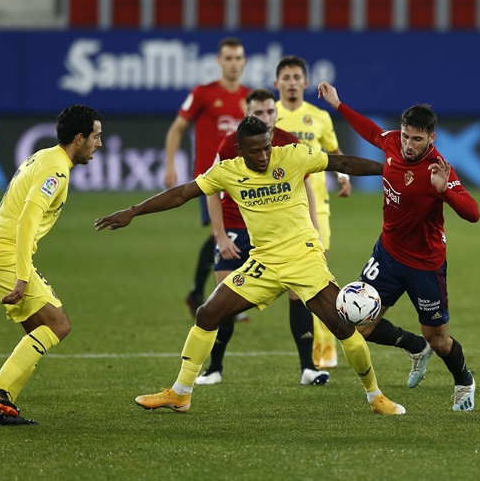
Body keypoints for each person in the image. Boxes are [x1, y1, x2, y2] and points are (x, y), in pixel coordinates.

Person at [94, 116, 405, 415]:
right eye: (254, 151)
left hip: (303, 259)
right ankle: (180, 393)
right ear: (239, 150)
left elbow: (342, 163)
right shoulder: (227, 172)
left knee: (342, 326)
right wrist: (133, 211)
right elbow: (182, 194)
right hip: (264, 262)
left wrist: (388, 170)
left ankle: (375, 396)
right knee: (207, 314)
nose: (263, 156)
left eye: (266, 148)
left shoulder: (292, 156)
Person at [318, 82, 480, 412]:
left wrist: (445, 191)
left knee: (439, 339)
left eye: (417, 139)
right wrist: (338, 104)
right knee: (362, 325)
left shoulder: (439, 169)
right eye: (406, 136)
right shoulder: (393, 142)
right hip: (388, 254)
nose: (408, 144)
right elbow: (371, 132)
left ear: (431, 138)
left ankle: (464, 380)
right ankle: (415, 346)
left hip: (425, 264)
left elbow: (473, 213)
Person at [0, 104, 103, 426]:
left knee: (38, 330)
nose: (99, 144)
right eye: (96, 137)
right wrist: (22, 275)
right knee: (58, 325)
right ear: (79, 138)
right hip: (4, 255)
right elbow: (27, 219)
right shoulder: (55, 171)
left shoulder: (46, 157)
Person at [195, 88, 328, 386]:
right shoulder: (231, 144)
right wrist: (220, 236)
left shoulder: (288, 143)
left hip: (278, 235)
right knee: (222, 299)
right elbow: (211, 190)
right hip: (235, 228)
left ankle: (307, 367)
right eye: (258, 112)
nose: (266, 118)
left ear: (276, 112)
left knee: (298, 294)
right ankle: (214, 368)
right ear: (247, 114)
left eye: (270, 111)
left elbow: (305, 185)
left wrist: (314, 229)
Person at [163, 37, 251, 318]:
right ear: (219, 61)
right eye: (228, 58)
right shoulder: (203, 93)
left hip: (240, 180)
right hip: (209, 178)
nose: (233, 63)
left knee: (232, 235)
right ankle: (219, 301)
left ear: (244, 61)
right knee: (219, 233)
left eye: (238, 58)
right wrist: (170, 163)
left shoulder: (249, 98)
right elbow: (177, 128)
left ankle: (202, 294)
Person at [274, 56, 352, 370]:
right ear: (277, 83)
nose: (292, 83)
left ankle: (325, 348)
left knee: (320, 276)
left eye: (297, 77)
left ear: (305, 83)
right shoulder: (269, 115)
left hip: (317, 205)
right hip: (282, 209)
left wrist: (343, 176)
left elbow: (333, 152)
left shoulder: (319, 117)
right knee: (296, 284)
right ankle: (311, 350)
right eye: (286, 77)